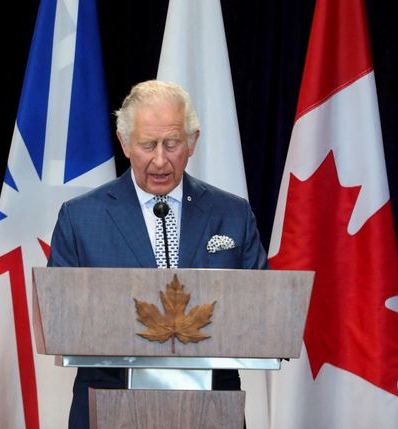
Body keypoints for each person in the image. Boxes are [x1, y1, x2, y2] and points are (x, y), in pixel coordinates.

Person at [48, 79, 269, 429]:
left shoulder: (232, 213)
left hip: (211, 408)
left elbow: (262, 311)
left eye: (172, 143)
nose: (160, 160)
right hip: (109, 405)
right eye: (148, 145)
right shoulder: (81, 217)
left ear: (193, 142)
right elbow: (61, 316)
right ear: (124, 143)